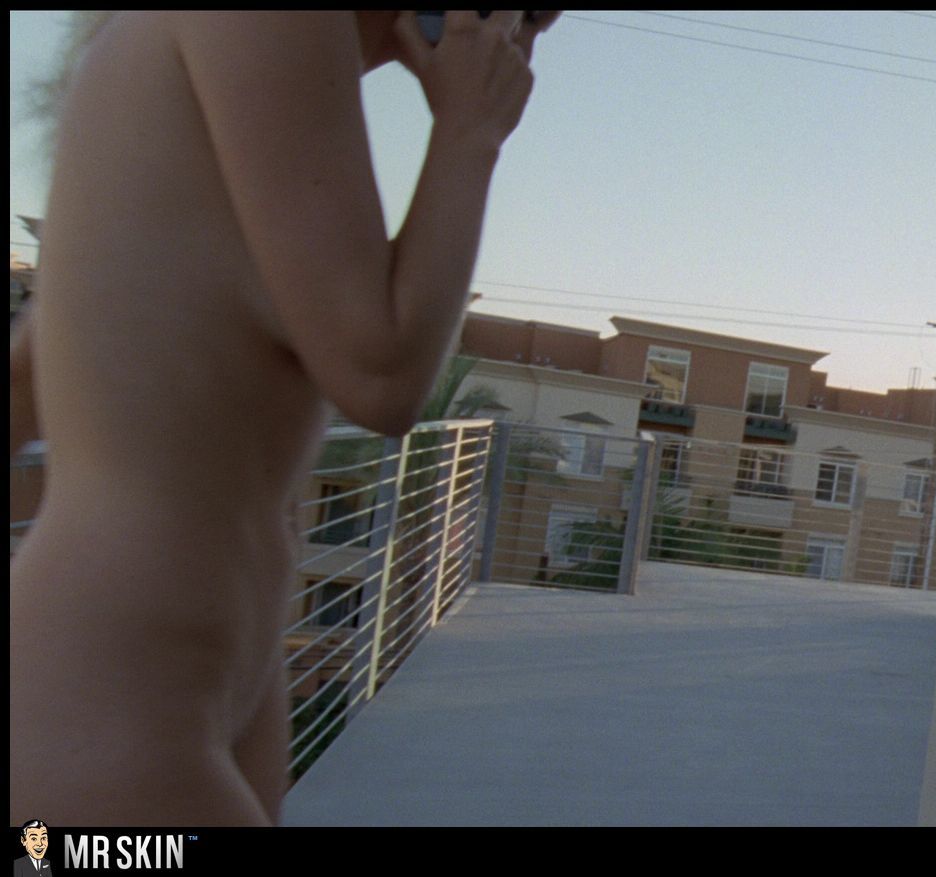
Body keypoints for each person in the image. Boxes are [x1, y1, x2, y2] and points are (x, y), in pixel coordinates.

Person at [8, 11, 559, 826]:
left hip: (189, 688)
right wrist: (469, 132)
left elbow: (25, 378)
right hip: (108, 712)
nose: (524, 35)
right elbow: (382, 374)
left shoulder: (224, 74)